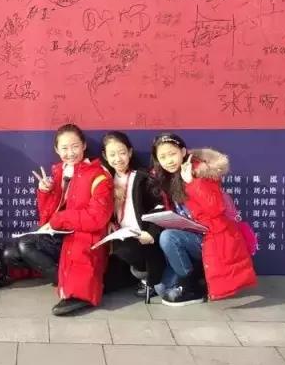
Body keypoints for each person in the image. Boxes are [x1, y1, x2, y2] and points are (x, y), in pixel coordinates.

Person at [6, 124, 113, 316]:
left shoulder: (98, 174)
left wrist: (59, 219)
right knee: (10, 254)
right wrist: (45, 191)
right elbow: (46, 215)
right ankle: (65, 278)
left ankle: (77, 289)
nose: (70, 153)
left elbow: (97, 218)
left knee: (26, 245)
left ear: (84, 145)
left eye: (75, 146)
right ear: (56, 149)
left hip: (83, 234)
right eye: (64, 148)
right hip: (60, 233)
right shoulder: (58, 172)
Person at [150, 132, 257, 306]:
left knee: (168, 237)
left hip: (211, 237)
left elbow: (216, 208)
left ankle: (191, 287)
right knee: (163, 288)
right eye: (163, 157)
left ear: (183, 152)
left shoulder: (200, 172)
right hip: (190, 236)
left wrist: (191, 182)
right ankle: (198, 277)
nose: (169, 161)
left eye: (172, 154)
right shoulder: (165, 178)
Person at [100, 131, 166, 300]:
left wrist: (151, 232)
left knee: (125, 250)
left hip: (142, 236)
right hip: (119, 234)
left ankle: (146, 276)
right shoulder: (104, 180)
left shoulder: (142, 178)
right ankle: (133, 275)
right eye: (112, 154)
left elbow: (159, 207)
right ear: (105, 156)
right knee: (104, 286)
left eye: (122, 153)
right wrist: (110, 221)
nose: (118, 159)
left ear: (130, 152)